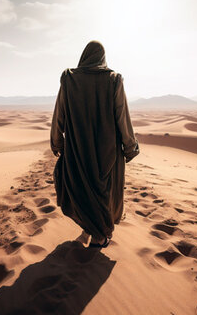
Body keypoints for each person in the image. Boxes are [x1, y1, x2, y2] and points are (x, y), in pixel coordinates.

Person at [50, 40, 140, 248]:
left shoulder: (69, 79)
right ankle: (98, 236)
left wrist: (57, 142)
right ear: (102, 58)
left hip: (78, 150)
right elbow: (122, 116)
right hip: (107, 153)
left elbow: (59, 115)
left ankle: (89, 231)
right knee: (103, 194)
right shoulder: (114, 80)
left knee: (82, 191)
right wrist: (130, 146)